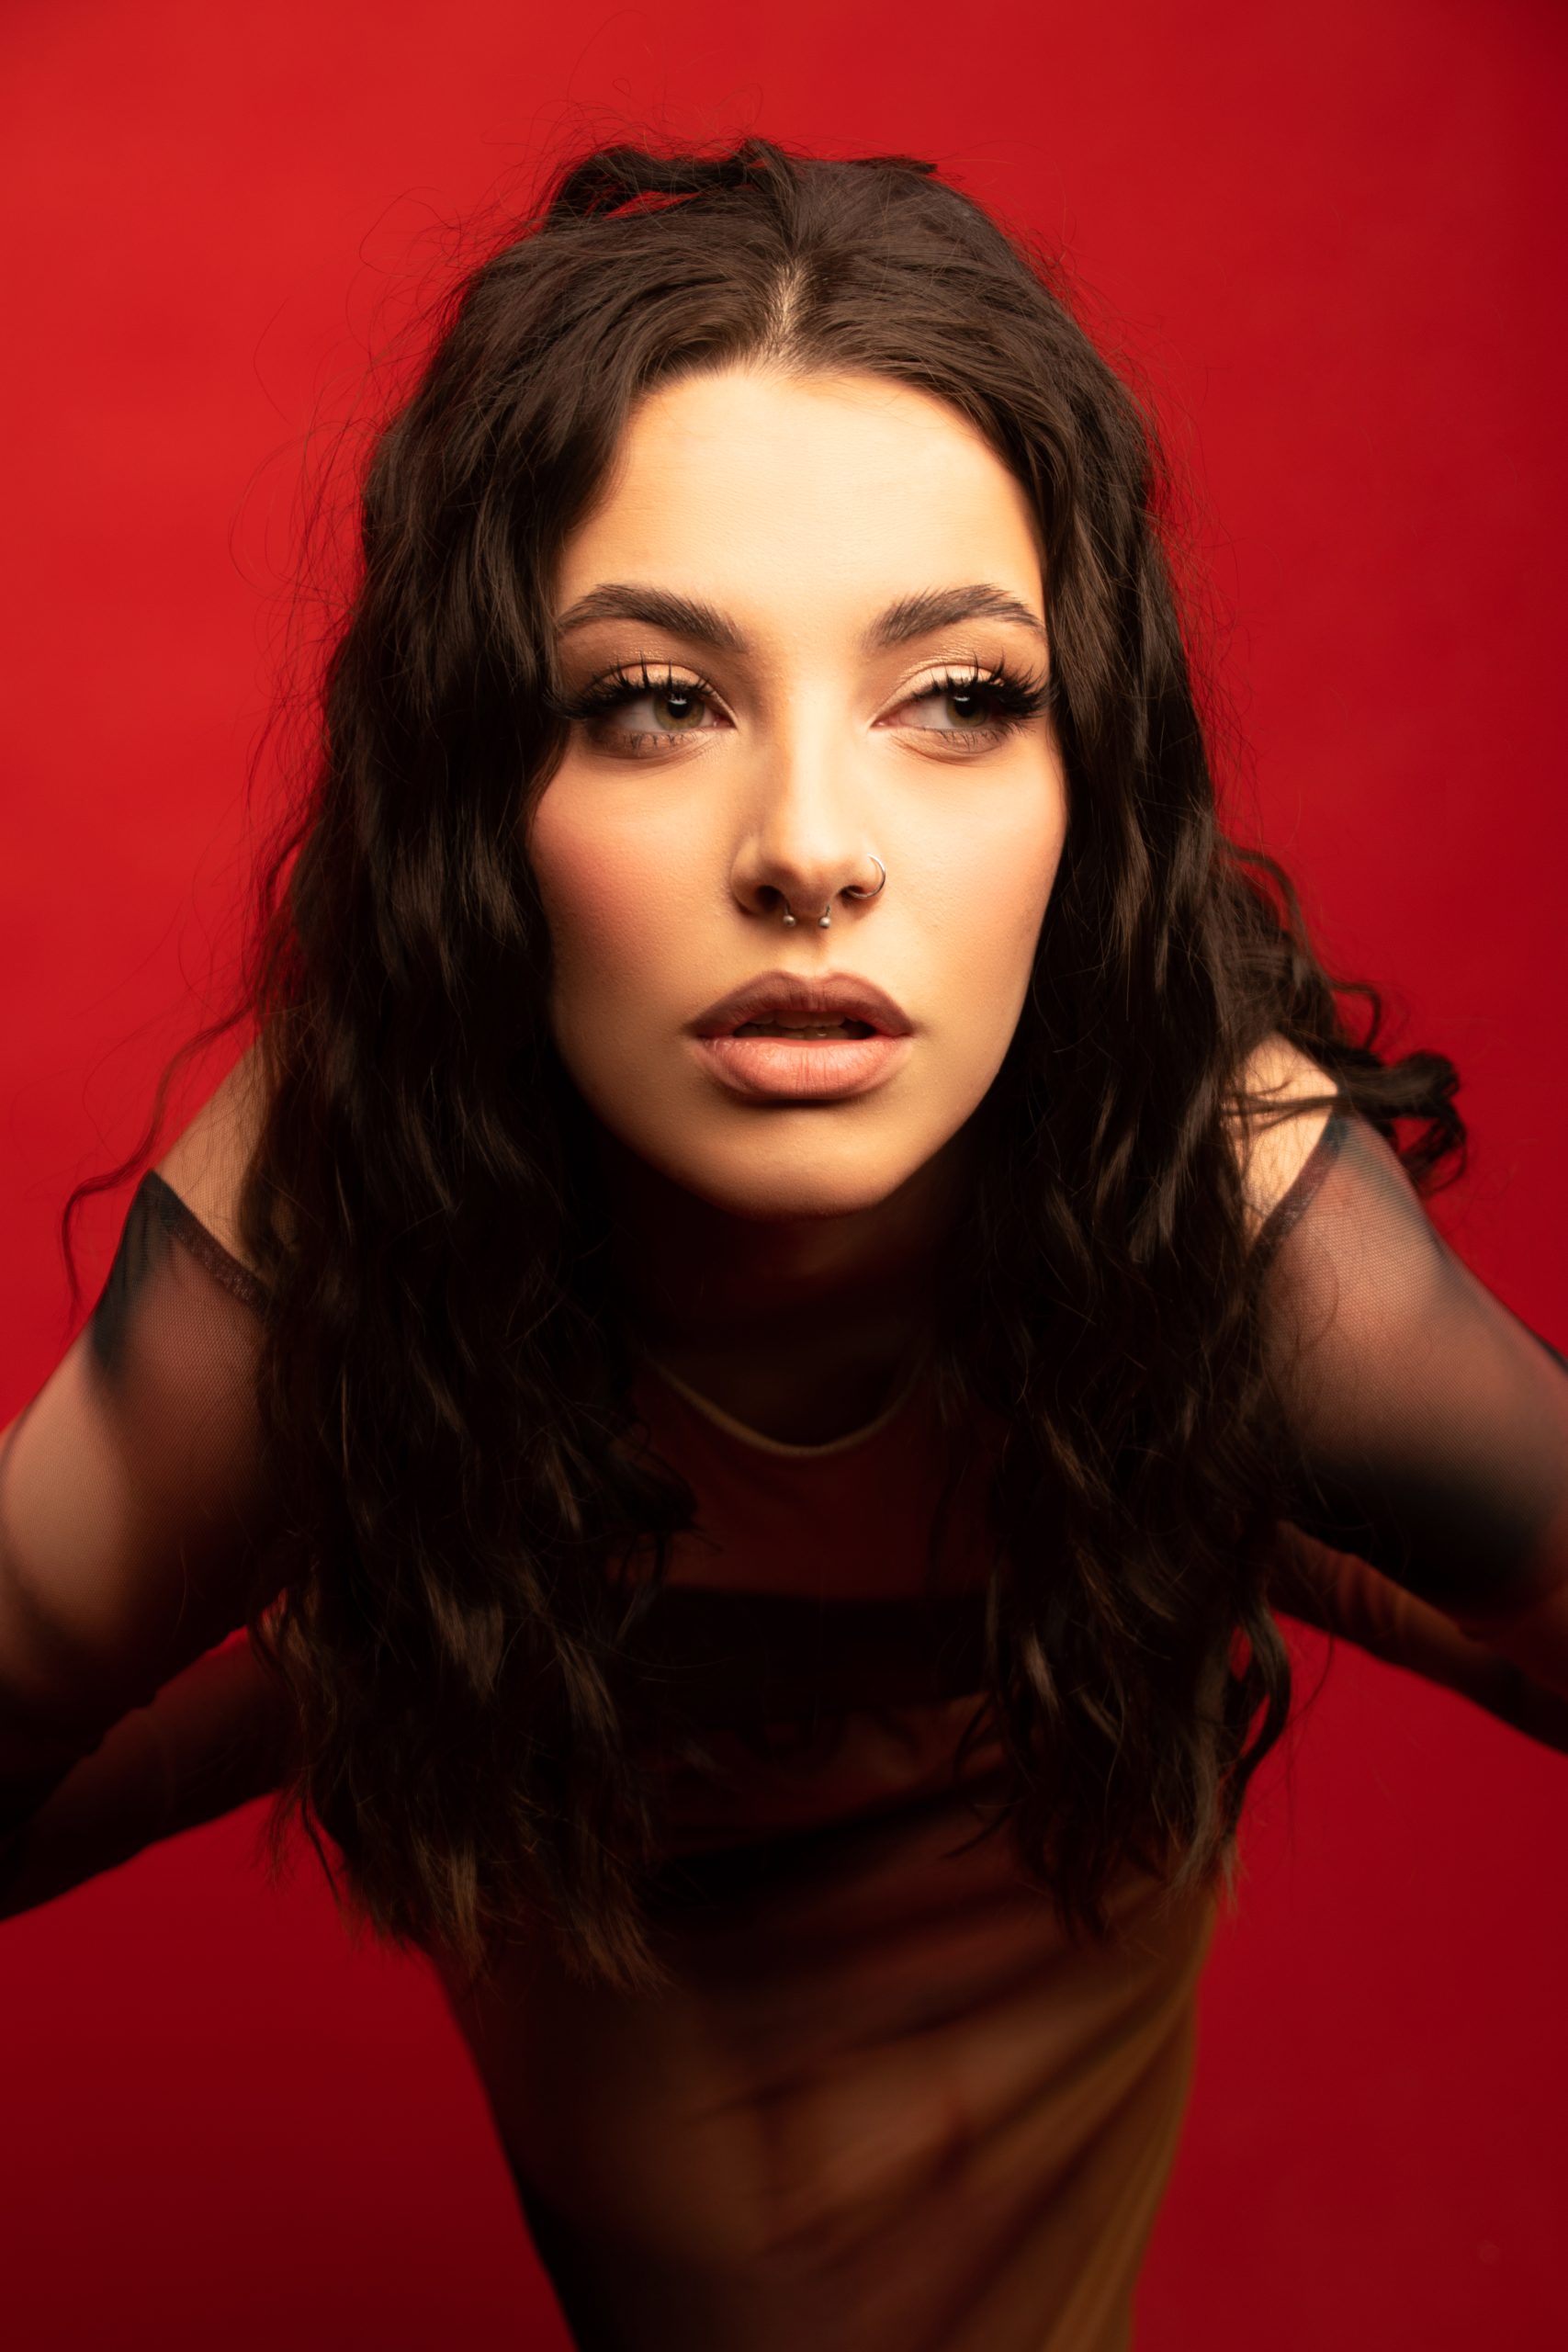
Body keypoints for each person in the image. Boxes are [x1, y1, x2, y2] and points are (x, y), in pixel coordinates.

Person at [2, 137, 1564, 2352]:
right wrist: (402, 1594)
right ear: (477, 790)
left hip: (1035, 1947)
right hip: (632, 2023)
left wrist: (1214, 1498)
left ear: (1087, 782)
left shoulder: (1222, 1208)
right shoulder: (343, 1213)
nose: (811, 848)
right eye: (655, 697)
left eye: (959, 696)